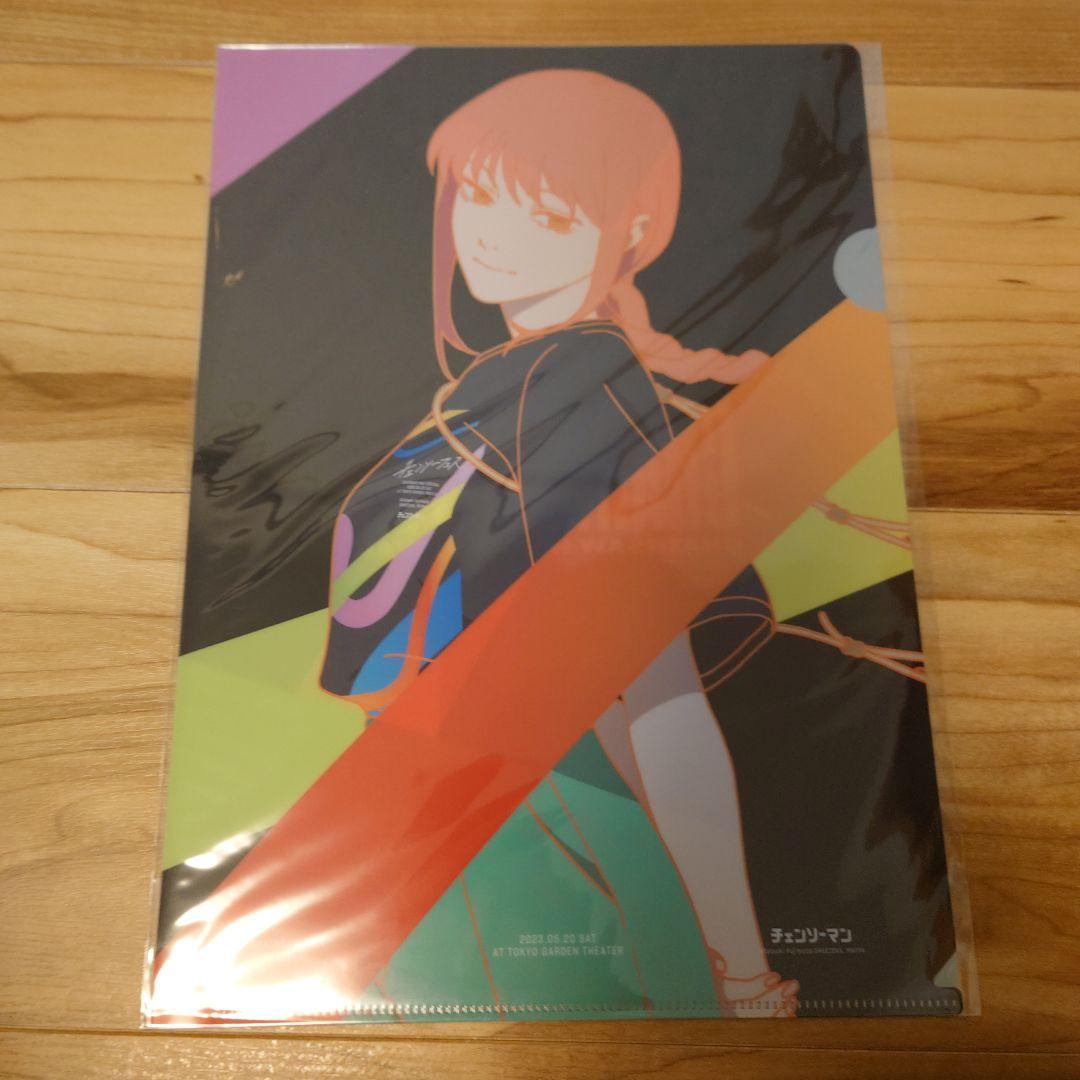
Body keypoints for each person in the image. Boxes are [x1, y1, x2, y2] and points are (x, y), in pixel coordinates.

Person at [320, 68, 798, 1017]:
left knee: (646, 690)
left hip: (521, 757)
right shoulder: (508, 378)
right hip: (481, 754)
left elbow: (656, 690)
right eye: (477, 198)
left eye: (541, 212)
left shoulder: (579, 374)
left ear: (630, 229)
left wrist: (739, 972)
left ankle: (729, 968)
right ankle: (720, 967)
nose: (490, 234)